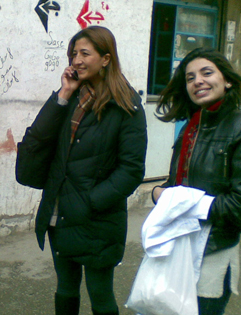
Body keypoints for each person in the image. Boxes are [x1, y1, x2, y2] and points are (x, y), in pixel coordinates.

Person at [30, 26, 147, 315]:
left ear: (106, 59)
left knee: (100, 294)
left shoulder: (126, 105)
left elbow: (131, 169)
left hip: (98, 218)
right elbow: (40, 138)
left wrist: (91, 200)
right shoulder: (72, 96)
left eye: (85, 53)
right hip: (60, 212)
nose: (76, 60)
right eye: (73, 53)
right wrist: (63, 94)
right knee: (66, 289)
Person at [153, 48, 241, 315]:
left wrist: (174, 200)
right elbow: (180, 183)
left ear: (227, 79)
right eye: (190, 77)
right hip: (177, 244)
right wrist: (165, 193)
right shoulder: (192, 126)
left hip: (212, 252)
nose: (198, 81)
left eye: (207, 73)